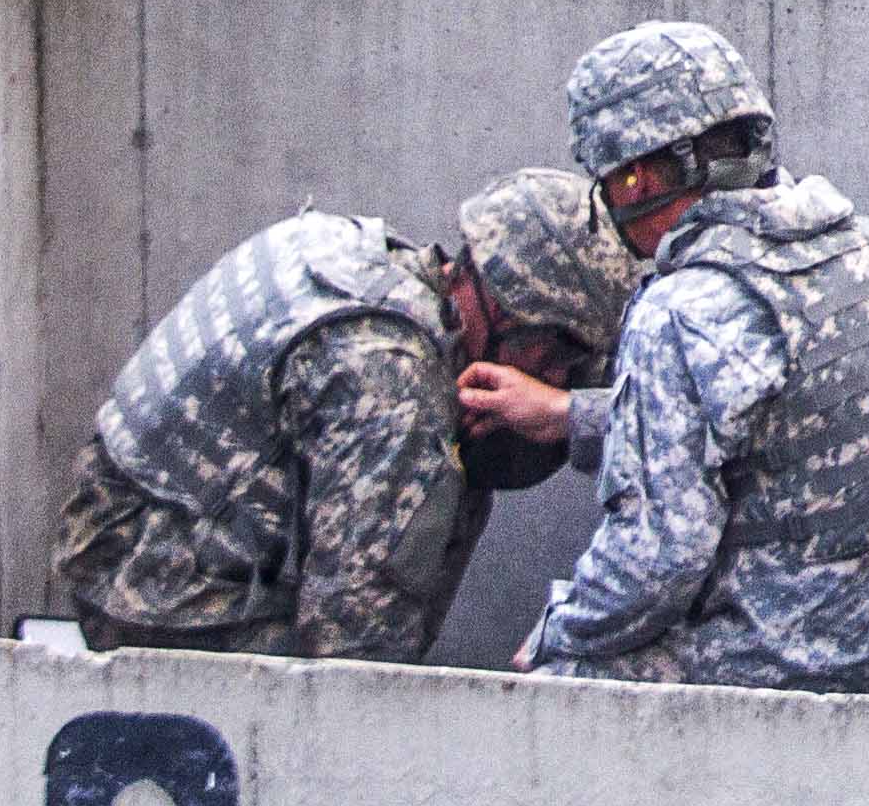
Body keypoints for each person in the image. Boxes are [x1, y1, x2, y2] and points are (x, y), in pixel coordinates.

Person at [493, 19, 869, 695]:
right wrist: (572, 416)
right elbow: (797, 438)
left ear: (638, 179)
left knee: (555, 678)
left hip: (805, 669)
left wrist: (556, 630)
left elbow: (654, 566)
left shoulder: (681, 312)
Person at [53, 166, 632, 662]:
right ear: (507, 309)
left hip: (126, 533)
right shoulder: (393, 382)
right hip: (151, 591)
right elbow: (354, 652)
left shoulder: (365, 259)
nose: (555, 379)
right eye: (563, 354)